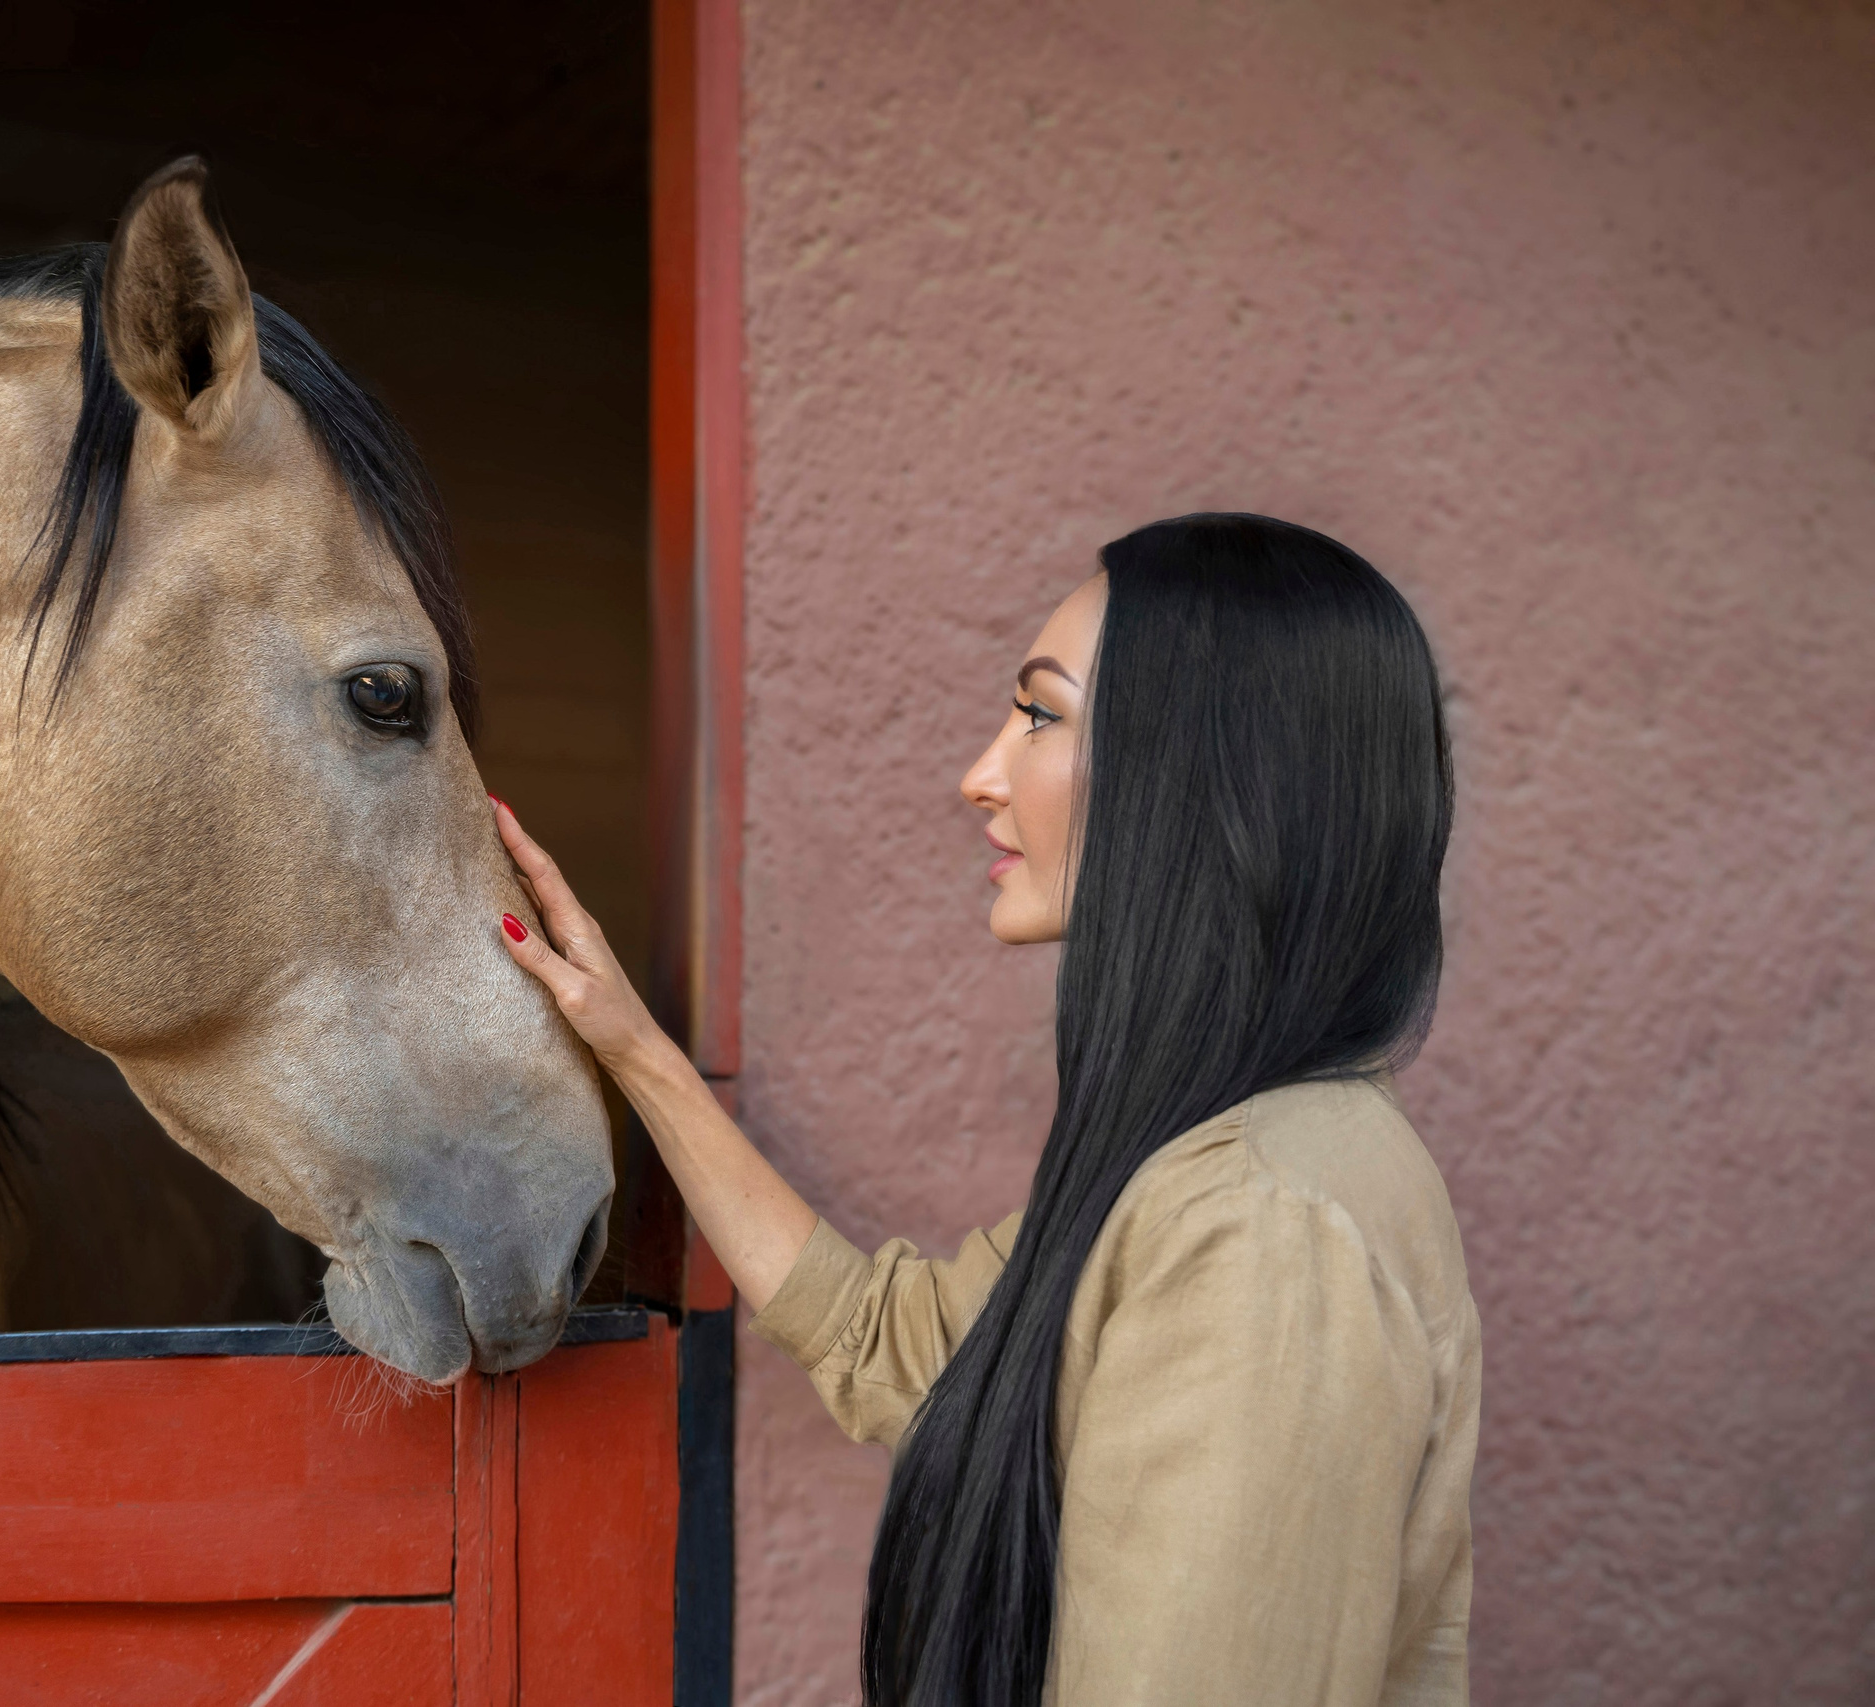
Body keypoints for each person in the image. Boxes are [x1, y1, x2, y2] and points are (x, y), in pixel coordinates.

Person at [494, 513, 1478, 1706]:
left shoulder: (1259, 1225)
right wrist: (635, 1050)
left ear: (1206, 773)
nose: (981, 773)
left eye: (1041, 715)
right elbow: (888, 1341)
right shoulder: (1198, 1162)